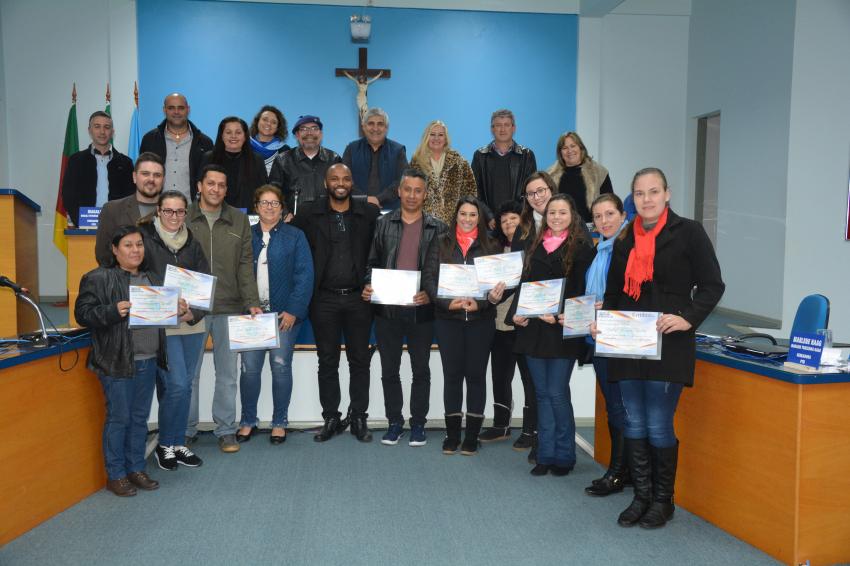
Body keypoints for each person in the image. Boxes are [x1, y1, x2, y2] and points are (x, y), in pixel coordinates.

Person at [595, 167, 724, 529]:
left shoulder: (689, 233)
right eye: (639, 193)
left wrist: (687, 317)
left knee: (657, 421)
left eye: (653, 192)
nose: (646, 199)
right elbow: (614, 294)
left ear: (667, 194)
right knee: (633, 420)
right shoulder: (624, 240)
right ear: (632, 199)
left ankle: (663, 501)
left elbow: (713, 285)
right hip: (628, 342)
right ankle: (641, 496)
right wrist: (602, 322)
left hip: (669, 342)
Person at [75, 225, 188, 497]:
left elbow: (158, 320)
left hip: (149, 360)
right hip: (117, 362)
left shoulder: (151, 279)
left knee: (139, 419)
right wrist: (113, 311)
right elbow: (83, 314)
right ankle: (116, 475)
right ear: (115, 250)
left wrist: (178, 313)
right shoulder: (98, 278)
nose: (135, 250)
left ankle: (136, 468)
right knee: (119, 418)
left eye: (139, 244)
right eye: (128, 245)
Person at [292, 163, 379, 443]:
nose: (340, 183)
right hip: (324, 299)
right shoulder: (308, 213)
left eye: (345, 178)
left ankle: (358, 416)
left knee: (359, 361)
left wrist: (372, 282)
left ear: (352, 183)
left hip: (359, 299)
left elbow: (380, 251)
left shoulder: (369, 212)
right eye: (334, 178)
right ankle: (331, 416)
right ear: (326, 183)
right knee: (327, 361)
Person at [510, 194, 594, 476]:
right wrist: (518, 312)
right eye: (552, 213)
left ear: (573, 216)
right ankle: (545, 454)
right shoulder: (533, 244)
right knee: (542, 395)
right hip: (533, 330)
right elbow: (525, 284)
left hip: (562, 331)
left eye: (562, 212)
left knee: (557, 394)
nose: (556, 217)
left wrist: (560, 314)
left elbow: (584, 292)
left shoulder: (582, 248)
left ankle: (564, 455)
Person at [362, 168, 447, 447]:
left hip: (422, 311)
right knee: (389, 369)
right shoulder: (383, 224)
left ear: (425, 194)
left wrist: (430, 294)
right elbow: (371, 262)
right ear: (399, 191)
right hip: (387, 310)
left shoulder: (438, 227)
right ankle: (395, 422)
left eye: (418, 190)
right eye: (407, 189)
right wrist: (368, 285)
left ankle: (419, 424)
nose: (412, 195)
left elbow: (443, 271)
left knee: (421, 369)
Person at [186, 164, 263, 453]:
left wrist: (252, 301)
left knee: (228, 373)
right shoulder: (184, 217)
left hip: (230, 306)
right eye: (210, 184)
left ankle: (226, 429)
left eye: (221, 185)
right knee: (189, 374)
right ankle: (186, 429)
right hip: (191, 310)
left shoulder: (238, 220)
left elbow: (245, 264)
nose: (216, 189)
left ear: (226, 189)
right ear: (199, 186)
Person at [422, 196, 504, 456]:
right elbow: (429, 278)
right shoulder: (441, 242)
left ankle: (471, 436)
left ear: (479, 217)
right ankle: (453, 434)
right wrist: (449, 304)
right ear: (455, 216)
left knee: (477, 377)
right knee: (453, 376)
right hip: (449, 321)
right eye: (463, 214)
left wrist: (480, 304)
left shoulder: (492, 244)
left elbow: (496, 286)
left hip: (481, 321)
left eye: (472, 214)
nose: (467, 219)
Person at [137, 190, 209, 471]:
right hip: (162, 324)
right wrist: (167, 305)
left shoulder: (192, 241)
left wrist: (194, 312)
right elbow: (137, 278)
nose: (174, 217)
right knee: (176, 384)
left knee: (187, 384)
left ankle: (178, 442)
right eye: (168, 211)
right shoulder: (144, 239)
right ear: (158, 211)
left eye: (180, 212)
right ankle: (166, 444)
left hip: (192, 322)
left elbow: (205, 283)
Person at [236, 185, 313, 445]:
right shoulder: (246, 235)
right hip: (252, 316)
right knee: (249, 370)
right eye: (264, 203)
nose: (269, 207)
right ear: (256, 207)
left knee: (280, 368)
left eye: (275, 203)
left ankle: (279, 421)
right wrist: (247, 305)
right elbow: (238, 274)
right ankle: (248, 420)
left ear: (283, 208)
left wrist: (293, 311)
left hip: (284, 317)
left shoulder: (295, 236)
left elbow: (305, 276)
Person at [579, 193, 630, 496]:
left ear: (623, 215)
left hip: (618, 338)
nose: (603, 221)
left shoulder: (626, 250)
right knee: (613, 407)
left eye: (609, 214)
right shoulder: (600, 250)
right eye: (597, 217)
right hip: (597, 337)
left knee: (620, 408)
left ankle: (619, 472)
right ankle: (621, 469)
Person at [478, 200, 534, 446]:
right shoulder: (493, 250)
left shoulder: (533, 247)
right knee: (500, 376)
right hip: (498, 324)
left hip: (523, 324)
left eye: (514, 218)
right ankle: (501, 425)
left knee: (528, 379)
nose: (509, 223)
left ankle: (531, 430)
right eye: (504, 220)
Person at [62, 111, 134, 227]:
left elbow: (130, 197)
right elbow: (68, 196)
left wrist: (122, 224)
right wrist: (80, 222)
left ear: (112, 132)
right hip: (84, 228)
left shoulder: (126, 163)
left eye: (106, 127)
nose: (102, 131)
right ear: (89, 130)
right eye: (97, 127)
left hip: (117, 228)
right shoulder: (76, 161)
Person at [139, 93, 214, 200]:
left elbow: (210, 179)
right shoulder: (149, 140)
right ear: (164, 110)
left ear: (188, 109)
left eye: (181, 108)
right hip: (158, 209)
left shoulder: (205, 143)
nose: (176, 112)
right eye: (171, 108)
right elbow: (143, 175)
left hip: (193, 211)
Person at [95, 152, 164, 266]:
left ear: (163, 180)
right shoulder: (112, 210)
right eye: (145, 174)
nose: (151, 179)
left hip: (162, 281)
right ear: (134, 177)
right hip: (123, 280)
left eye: (157, 175)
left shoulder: (173, 211)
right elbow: (103, 255)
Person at [471, 109, 537, 228]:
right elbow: (475, 192)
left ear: (513, 128)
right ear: (492, 129)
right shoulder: (480, 156)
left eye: (507, 125)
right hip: (488, 225)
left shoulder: (527, 156)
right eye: (498, 125)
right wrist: (489, 217)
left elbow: (530, 192)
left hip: (518, 223)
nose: (502, 129)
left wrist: (513, 217)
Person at [269, 115, 342, 214]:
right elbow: (273, 192)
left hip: (327, 221)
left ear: (321, 134)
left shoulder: (334, 159)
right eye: (304, 129)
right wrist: (285, 214)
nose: (309, 133)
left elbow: (341, 189)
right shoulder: (282, 160)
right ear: (297, 135)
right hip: (293, 222)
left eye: (314, 128)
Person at [409, 120, 477, 226]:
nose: (436, 138)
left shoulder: (459, 162)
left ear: (445, 139)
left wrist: (464, 217)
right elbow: (410, 192)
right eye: (432, 134)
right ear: (426, 137)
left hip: (453, 225)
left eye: (440, 135)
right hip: (425, 225)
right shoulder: (416, 162)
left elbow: (471, 192)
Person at [342, 107, 407, 210]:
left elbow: (402, 181)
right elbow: (345, 180)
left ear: (386, 128)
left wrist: (378, 199)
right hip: (357, 211)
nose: (375, 128)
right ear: (363, 126)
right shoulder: (351, 149)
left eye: (380, 124)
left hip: (390, 212)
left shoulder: (398, 151)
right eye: (371, 123)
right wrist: (365, 199)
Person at [197, 117, 268, 209]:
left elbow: (263, 191)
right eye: (228, 132)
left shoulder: (257, 160)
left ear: (245, 136)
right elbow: (200, 189)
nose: (233, 136)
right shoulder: (209, 158)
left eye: (238, 133)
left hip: (247, 216)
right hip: (215, 214)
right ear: (221, 136)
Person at [546, 131, 613, 224]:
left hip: (592, 231)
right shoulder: (550, 175)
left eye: (573, 146)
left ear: (581, 148)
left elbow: (609, 203)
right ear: (560, 153)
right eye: (565, 148)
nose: (570, 151)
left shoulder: (599, 172)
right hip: (559, 228)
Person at [249, 105, 290, 175]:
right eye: (265, 119)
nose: (268, 124)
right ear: (257, 121)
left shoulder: (286, 151)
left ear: (278, 127)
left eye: (274, 122)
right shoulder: (242, 145)